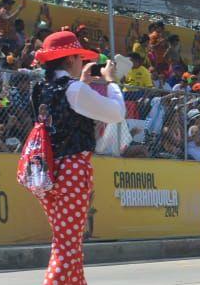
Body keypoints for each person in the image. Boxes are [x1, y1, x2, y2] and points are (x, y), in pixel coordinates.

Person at [32, 31, 125, 285]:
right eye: (80, 58)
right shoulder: (73, 89)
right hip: (71, 171)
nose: (82, 63)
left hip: (46, 171)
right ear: (70, 59)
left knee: (68, 242)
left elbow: (63, 118)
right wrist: (110, 82)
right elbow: (116, 113)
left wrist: (81, 84)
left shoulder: (41, 88)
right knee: (67, 246)